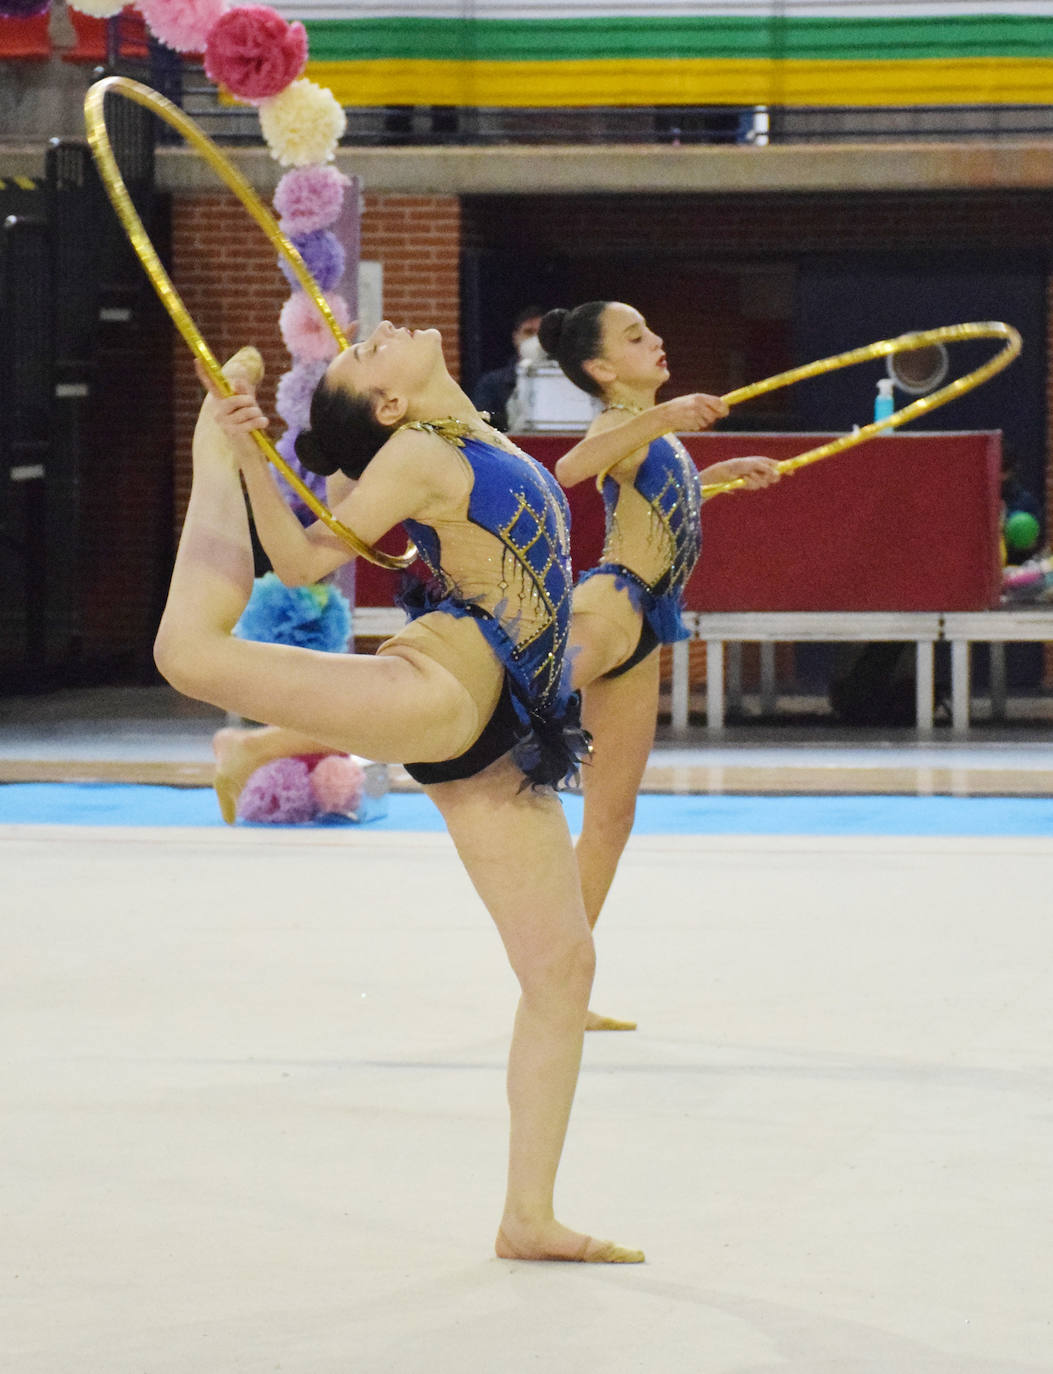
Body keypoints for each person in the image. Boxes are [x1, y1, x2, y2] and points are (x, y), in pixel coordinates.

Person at [153, 326, 643, 1264]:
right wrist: (242, 451)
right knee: (190, 654)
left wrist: (279, 451)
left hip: (506, 738)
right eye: (364, 358)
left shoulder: (470, 435)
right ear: (389, 407)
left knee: (562, 971)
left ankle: (525, 1217)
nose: (377, 335)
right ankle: (204, 457)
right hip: (446, 689)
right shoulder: (421, 451)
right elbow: (301, 562)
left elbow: (326, 511)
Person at [538, 301, 781, 1030]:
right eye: (636, 336)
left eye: (652, 327)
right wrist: (664, 416)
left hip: (643, 629)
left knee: (611, 817)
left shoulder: (651, 433)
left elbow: (660, 503)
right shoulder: (621, 421)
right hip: (611, 607)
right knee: (482, 696)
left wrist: (720, 476)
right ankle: (272, 742)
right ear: (601, 369)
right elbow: (570, 467)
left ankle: (557, 989)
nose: (658, 338)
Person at [471, 305, 544, 432]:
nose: (536, 340)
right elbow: (480, 428)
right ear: (516, 337)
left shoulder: (568, 381)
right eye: (529, 332)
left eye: (542, 333)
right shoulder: (491, 384)